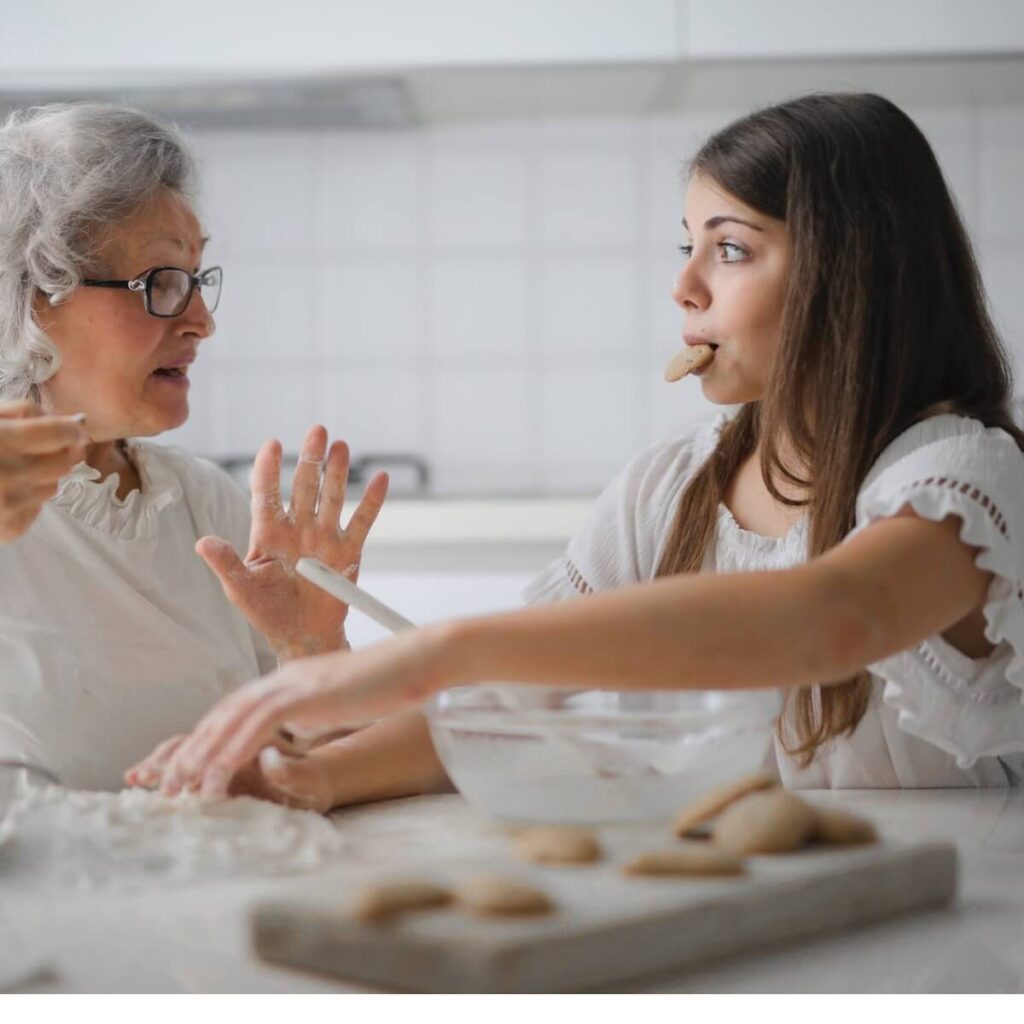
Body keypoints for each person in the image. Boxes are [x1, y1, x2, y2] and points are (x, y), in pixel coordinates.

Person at [147, 92, 1024, 803]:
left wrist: (445, 646)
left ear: (852, 272)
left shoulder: (962, 477)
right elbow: (507, 702)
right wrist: (316, 777)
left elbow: (837, 618)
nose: (682, 286)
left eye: (729, 250)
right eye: (689, 248)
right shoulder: (670, 486)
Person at [0, 103, 388, 791]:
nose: (201, 322)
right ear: (35, 296)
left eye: (197, 277)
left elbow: (319, 774)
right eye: (159, 283)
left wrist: (312, 649)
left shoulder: (205, 503)